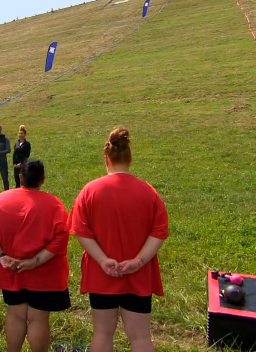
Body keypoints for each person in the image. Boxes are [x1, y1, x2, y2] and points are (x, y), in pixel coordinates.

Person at [69, 127, 169, 352]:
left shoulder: (89, 191)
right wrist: (138, 262)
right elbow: (159, 232)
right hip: (139, 276)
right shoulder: (149, 192)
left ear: (106, 158)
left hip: (101, 275)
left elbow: (80, 231)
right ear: (130, 158)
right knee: (141, 337)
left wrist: (103, 260)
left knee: (102, 334)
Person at [0, 160, 70, 352]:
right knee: (38, 317)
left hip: (12, 270)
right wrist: (35, 261)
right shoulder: (54, 204)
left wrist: (1, 256)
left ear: (20, 177)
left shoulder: (1, 200)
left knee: (15, 314)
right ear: (42, 180)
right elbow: (62, 237)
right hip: (44, 274)